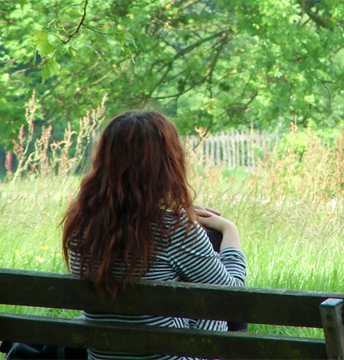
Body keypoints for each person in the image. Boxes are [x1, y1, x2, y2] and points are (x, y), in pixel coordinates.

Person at [61, 110, 246, 360]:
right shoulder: (177, 231)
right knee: (215, 300)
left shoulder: (82, 229)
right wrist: (229, 229)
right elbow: (235, 299)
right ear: (166, 165)